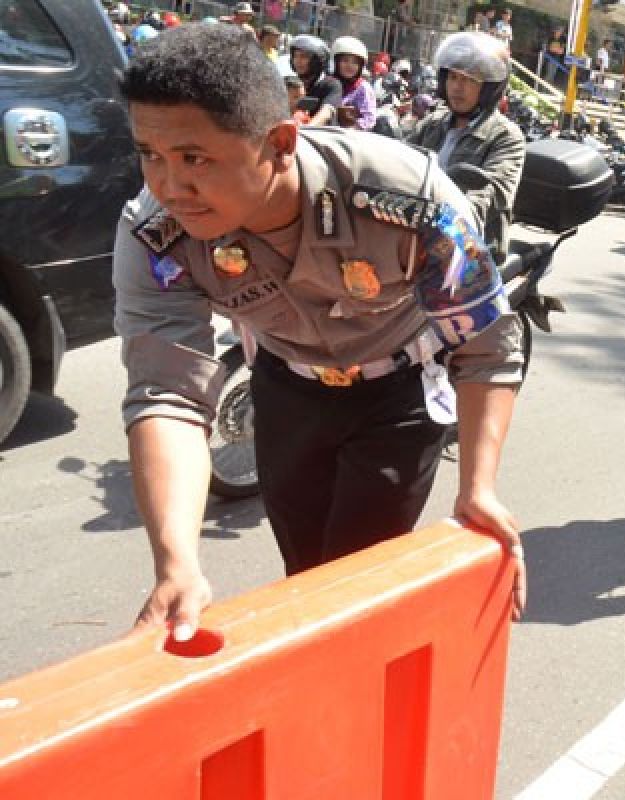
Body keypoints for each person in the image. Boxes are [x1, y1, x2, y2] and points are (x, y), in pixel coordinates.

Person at [113, 25, 526, 642]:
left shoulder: (408, 199)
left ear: (279, 142)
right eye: (150, 155)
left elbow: (484, 346)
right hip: (287, 386)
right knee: (303, 572)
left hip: (400, 394)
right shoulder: (154, 233)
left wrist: (478, 488)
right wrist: (176, 564)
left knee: (351, 583)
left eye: (195, 158)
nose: (170, 187)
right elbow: (168, 395)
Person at [408, 32, 525, 261]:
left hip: (473, 249)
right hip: (417, 236)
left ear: (489, 88)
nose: (457, 87)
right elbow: (400, 163)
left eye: (469, 80)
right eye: (453, 77)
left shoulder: (506, 136)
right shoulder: (431, 124)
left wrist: (448, 215)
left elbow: (492, 193)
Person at [289, 35, 341, 127]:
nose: (298, 61)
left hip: (319, 137)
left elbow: (327, 111)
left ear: (317, 60)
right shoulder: (291, 84)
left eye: (304, 57)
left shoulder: (331, 84)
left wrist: (307, 129)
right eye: (295, 56)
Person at [330, 36, 377, 131]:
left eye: (355, 62)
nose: (350, 65)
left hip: (350, 139)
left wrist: (350, 130)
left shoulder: (363, 88)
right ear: (336, 62)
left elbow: (369, 119)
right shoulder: (328, 83)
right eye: (345, 60)